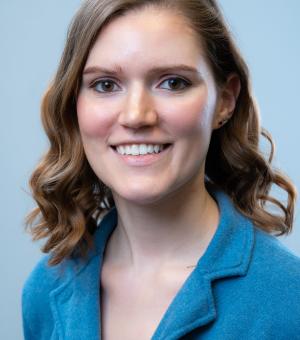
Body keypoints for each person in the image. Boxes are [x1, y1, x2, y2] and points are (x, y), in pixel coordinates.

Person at [22, 0, 300, 339]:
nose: (137, 115)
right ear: (74, 104)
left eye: (173, 83)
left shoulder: (289, 302)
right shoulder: (46, 289)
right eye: (106, 85)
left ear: (225, 101)